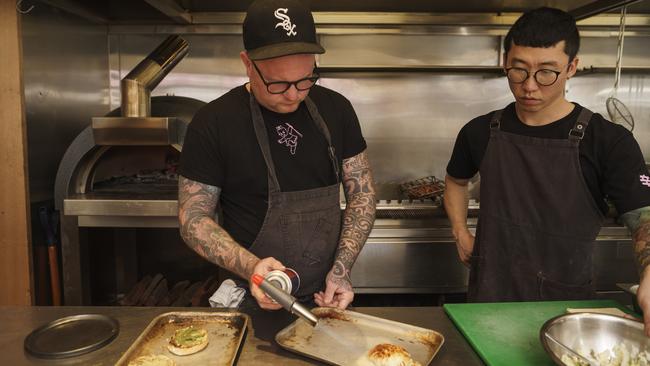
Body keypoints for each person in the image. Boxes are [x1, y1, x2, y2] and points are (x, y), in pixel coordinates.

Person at [444, 7, 650, 333]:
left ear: (571, 68)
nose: (530, 86)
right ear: (504, 63)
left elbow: (644, 217)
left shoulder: (608, 141)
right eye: (519, 70)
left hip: (564, 305)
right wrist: (460, 232)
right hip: (488, 299)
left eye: (546, 72)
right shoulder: (479, 131)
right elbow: (455, 181)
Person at [177, 0, 376, 311]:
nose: (294, 94)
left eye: (305, 79)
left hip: (326, 297)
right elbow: (193, 218)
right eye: (278, 83)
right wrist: (251, 268)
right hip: (248, 296)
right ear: (247, 62)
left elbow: (362, 196)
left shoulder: (337, 110)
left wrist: (341, 270)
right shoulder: (212, 123)